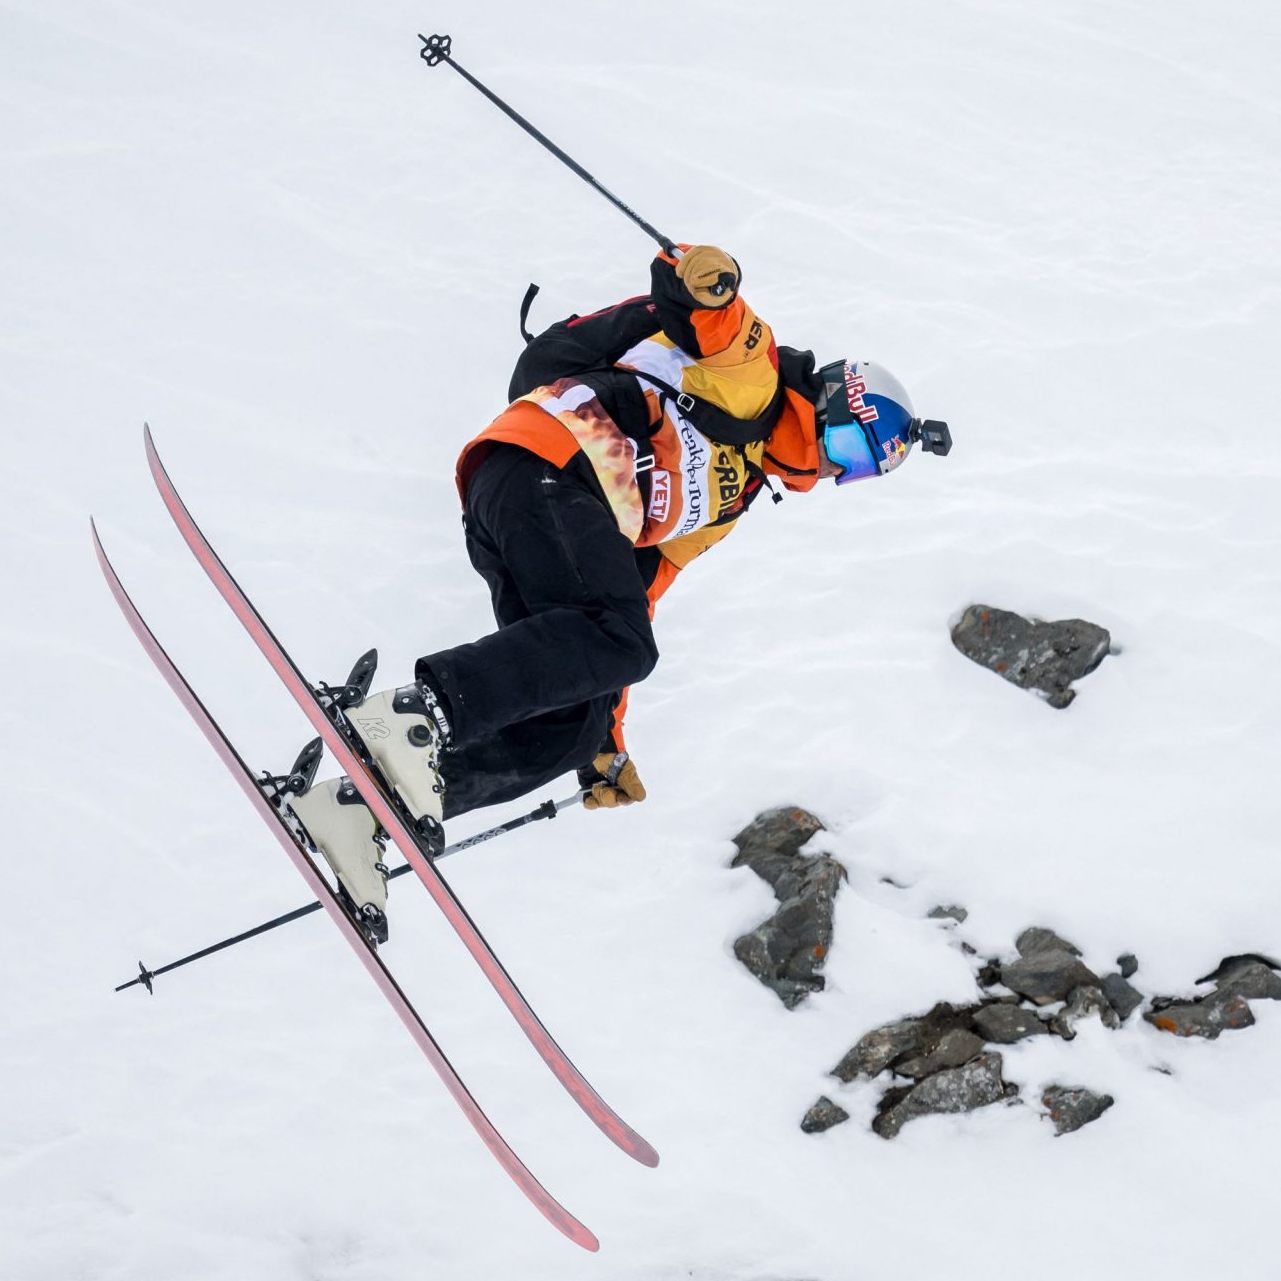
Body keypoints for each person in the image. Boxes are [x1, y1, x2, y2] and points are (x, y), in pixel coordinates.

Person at [288, 244, 952, 940]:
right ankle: (412, 714)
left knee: (572, 721)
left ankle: (357, 813)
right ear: (828, 401)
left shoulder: (733, 497)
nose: (829, 470)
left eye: (853, 472)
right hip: (547, 462)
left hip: (543, 515)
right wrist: (704, 273)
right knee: (620, 641)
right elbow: (704, 304)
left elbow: (640, 588)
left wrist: (607, 737)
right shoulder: (752, 374)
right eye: (845, 449)